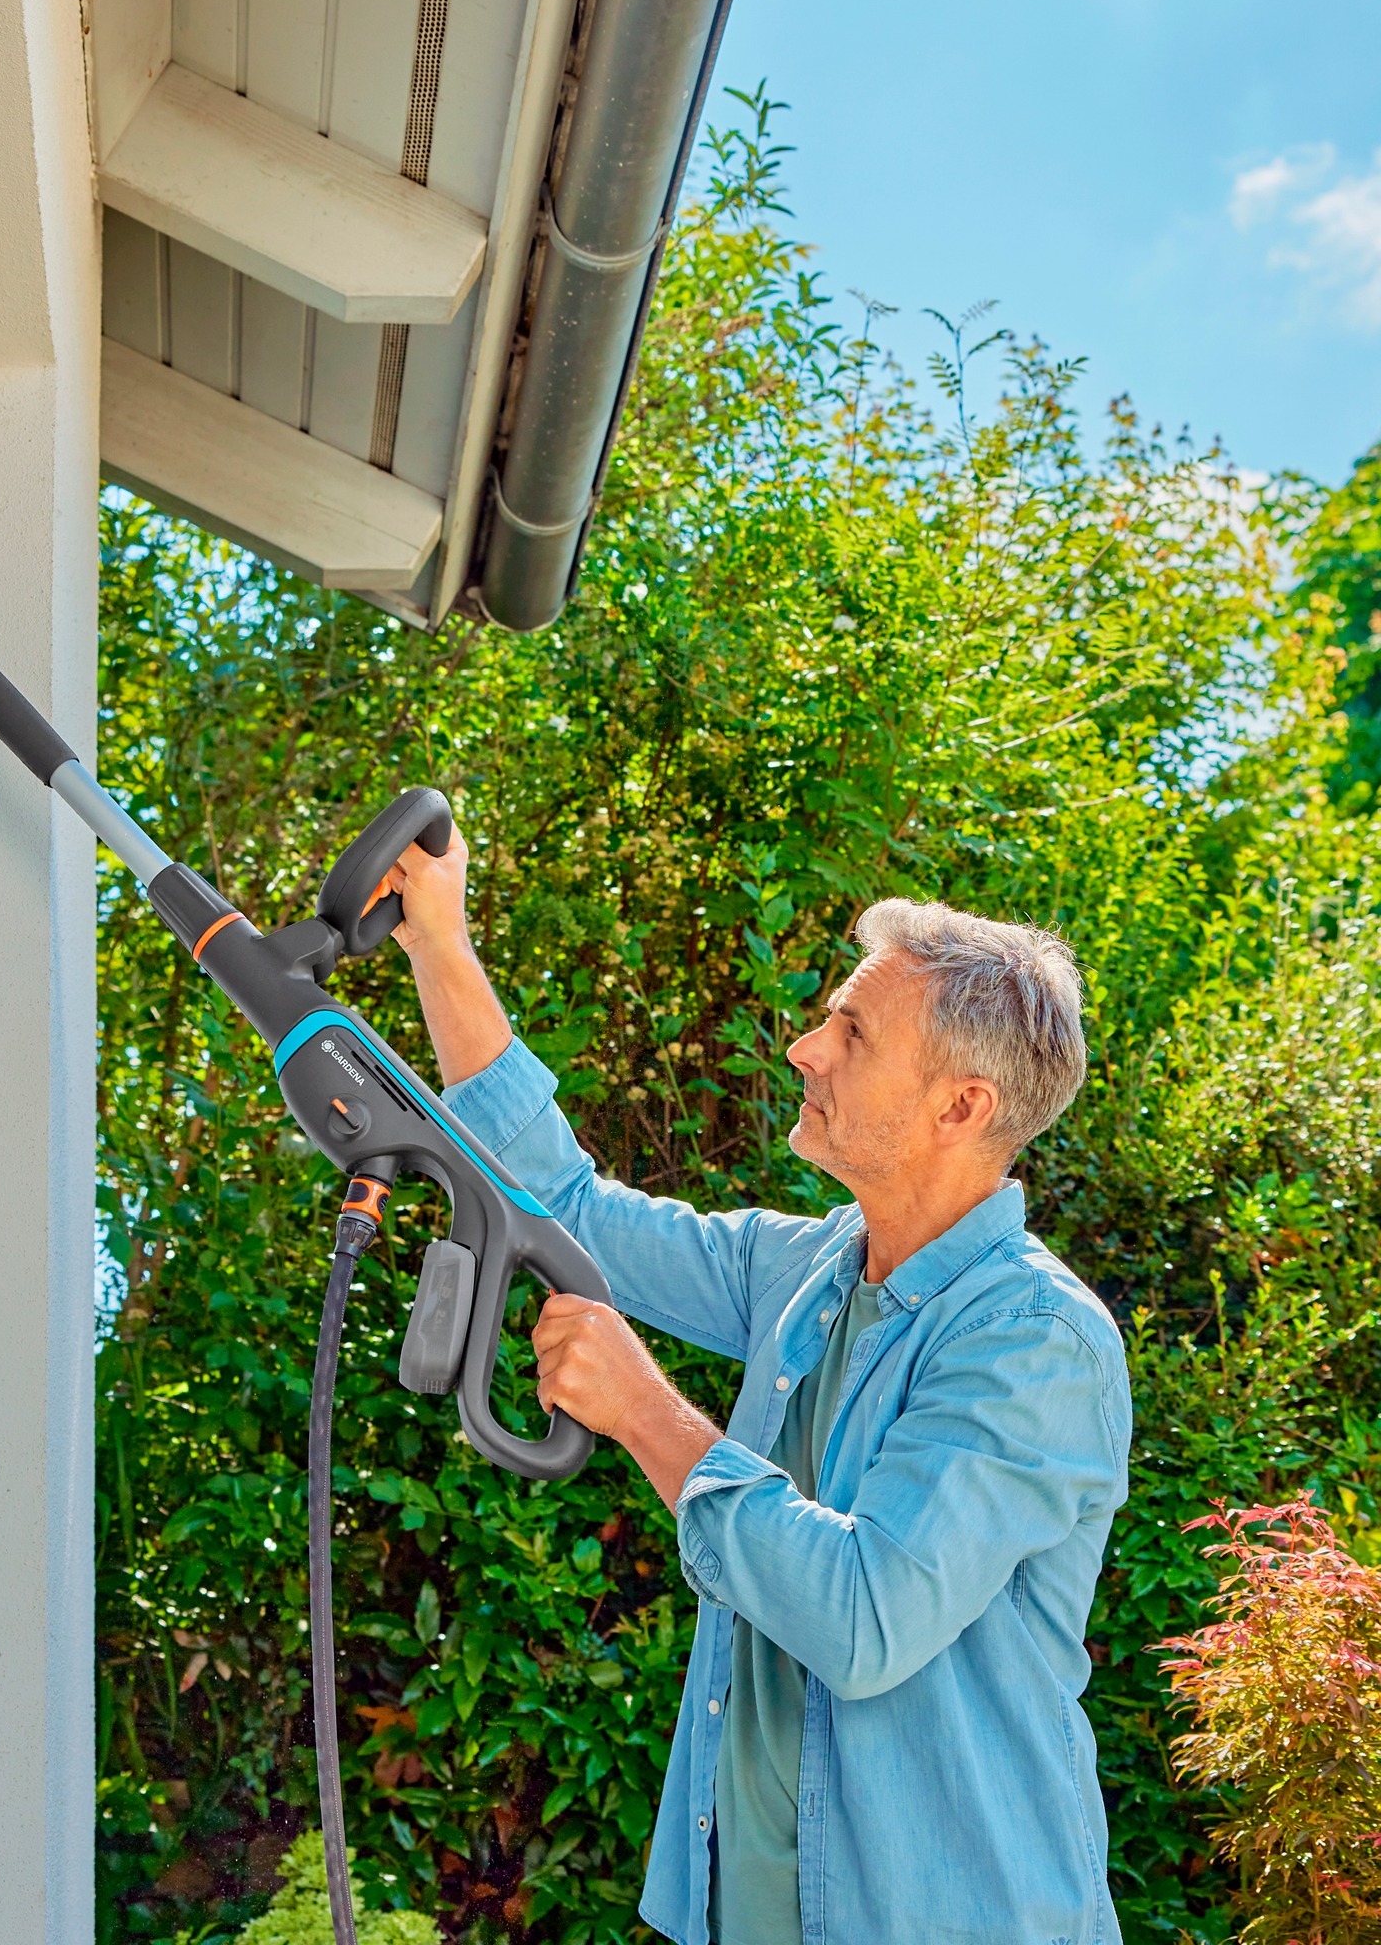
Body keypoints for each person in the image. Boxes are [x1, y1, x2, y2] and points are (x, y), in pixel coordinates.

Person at [384, 833, 1130, 1945]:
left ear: (959, 1106)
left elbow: (866, 1613)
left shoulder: (1033, 1340)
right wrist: (439, 939)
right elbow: (564, 1206)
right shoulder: (810, 1270)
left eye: (851, 1031)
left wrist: (644, 1410)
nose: (801, 1046)